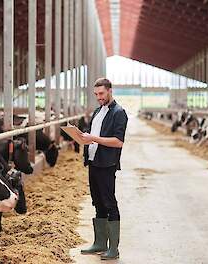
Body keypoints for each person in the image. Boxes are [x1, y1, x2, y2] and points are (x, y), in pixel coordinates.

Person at [79, 78, 128, 260]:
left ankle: (113, 249)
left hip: (107, 164)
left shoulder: (119, 112)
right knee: (97, 202)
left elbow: (118, 141)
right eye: (96, 94)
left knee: (109, 203)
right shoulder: (98, 112)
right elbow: (94, 136)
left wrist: (94, 138)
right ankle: (100, 243)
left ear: (110, 91)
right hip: (93, 161)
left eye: (101, 94)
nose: (98, 97)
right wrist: (83, 138)